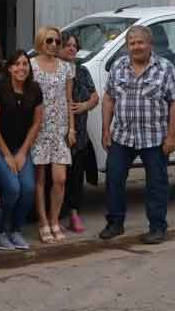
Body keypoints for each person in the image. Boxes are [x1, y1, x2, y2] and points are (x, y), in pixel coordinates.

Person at [99, 25, 175, 244]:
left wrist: (172, 136)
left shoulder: (165, 68)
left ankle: (157, 227)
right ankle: (115, 224)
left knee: (157, 183)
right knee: (114, 179)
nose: (136, 47)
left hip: (154, 137)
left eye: (140, 42)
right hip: (122, 136)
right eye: (132, 43)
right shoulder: (118, 66)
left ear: (150, 44)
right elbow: (108, 98)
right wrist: (105, 130)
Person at [0, 51, 44, 251]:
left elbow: (36, 124)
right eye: (16, 64)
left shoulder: (34, 89)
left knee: (27, 188)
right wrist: (7, 155)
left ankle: (16, 229)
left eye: (25, 64)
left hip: (19, 147)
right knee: (12, 187)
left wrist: (22, 152)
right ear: (9, 68)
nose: (21, 68)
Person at [30, 27, 75, 244]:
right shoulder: (31, 66)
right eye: (49, 40)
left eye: (57, 41)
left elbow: (69, 100)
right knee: (40, 179)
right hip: (39, 129)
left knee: (60, 179)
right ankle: (43, 222)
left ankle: (55, 219)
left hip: (60, 129)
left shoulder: (66, 67)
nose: (54, 45)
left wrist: (72, 128)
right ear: (40, 41)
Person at [58, 32, 99, 233]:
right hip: (57, 133)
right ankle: (55, 216)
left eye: (75, 46)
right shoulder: (53, 69)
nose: (72, 49)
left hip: (80, 133)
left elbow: (95, 97)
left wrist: (84, 106)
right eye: (67, 45)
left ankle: (74, 214)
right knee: (57, 178)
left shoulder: (82, 71)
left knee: (76, 176)